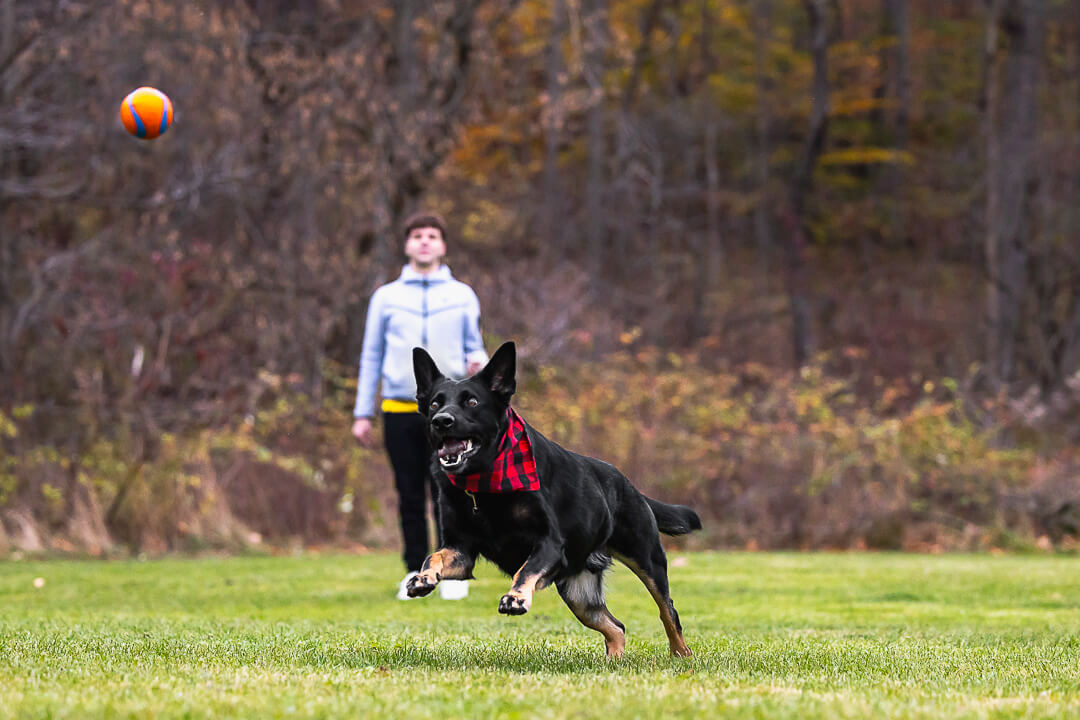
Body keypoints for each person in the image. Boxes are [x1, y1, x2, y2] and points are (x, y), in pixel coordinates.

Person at [352, 212, 487, 600]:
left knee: (451, 492)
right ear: (407, 244)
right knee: (410, 493)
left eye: (432, 235)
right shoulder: (386, 297)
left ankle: (452, 570)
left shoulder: (462, 295)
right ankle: (415, 570)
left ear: (443, 245)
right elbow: (371, 355)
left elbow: (473, 344)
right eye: (417, 235)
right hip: (399, 409)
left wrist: (477, 361)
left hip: (452, 414)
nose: (424, 241)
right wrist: (363, 412)